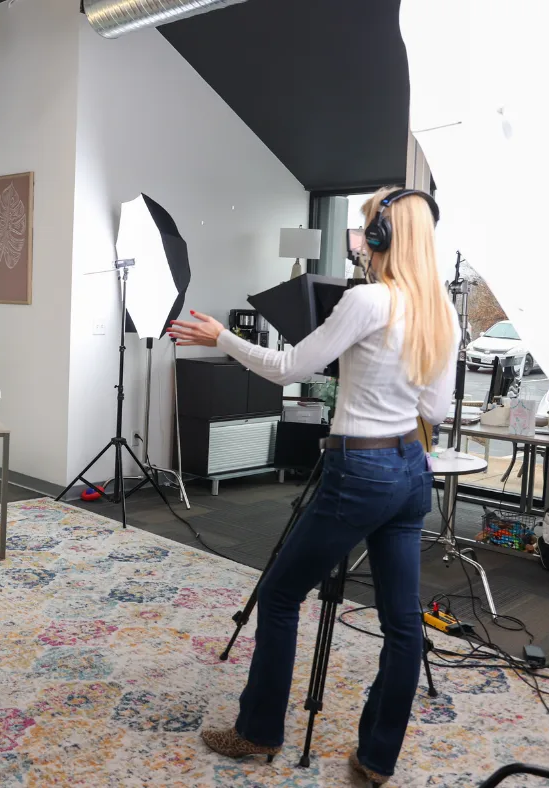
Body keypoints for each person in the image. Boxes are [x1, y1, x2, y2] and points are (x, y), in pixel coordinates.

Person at [169, 188, 459, 786]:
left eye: (367, 228)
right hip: (411, 471)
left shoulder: (366, 300)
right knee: (402, 623)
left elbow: (288, 369)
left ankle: (258, 731)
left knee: (279, 595)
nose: (361, 240)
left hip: (360, 471)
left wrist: (222, 337)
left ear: (382, 236)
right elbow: (436, 409)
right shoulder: (443, 314)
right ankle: (377, 758)